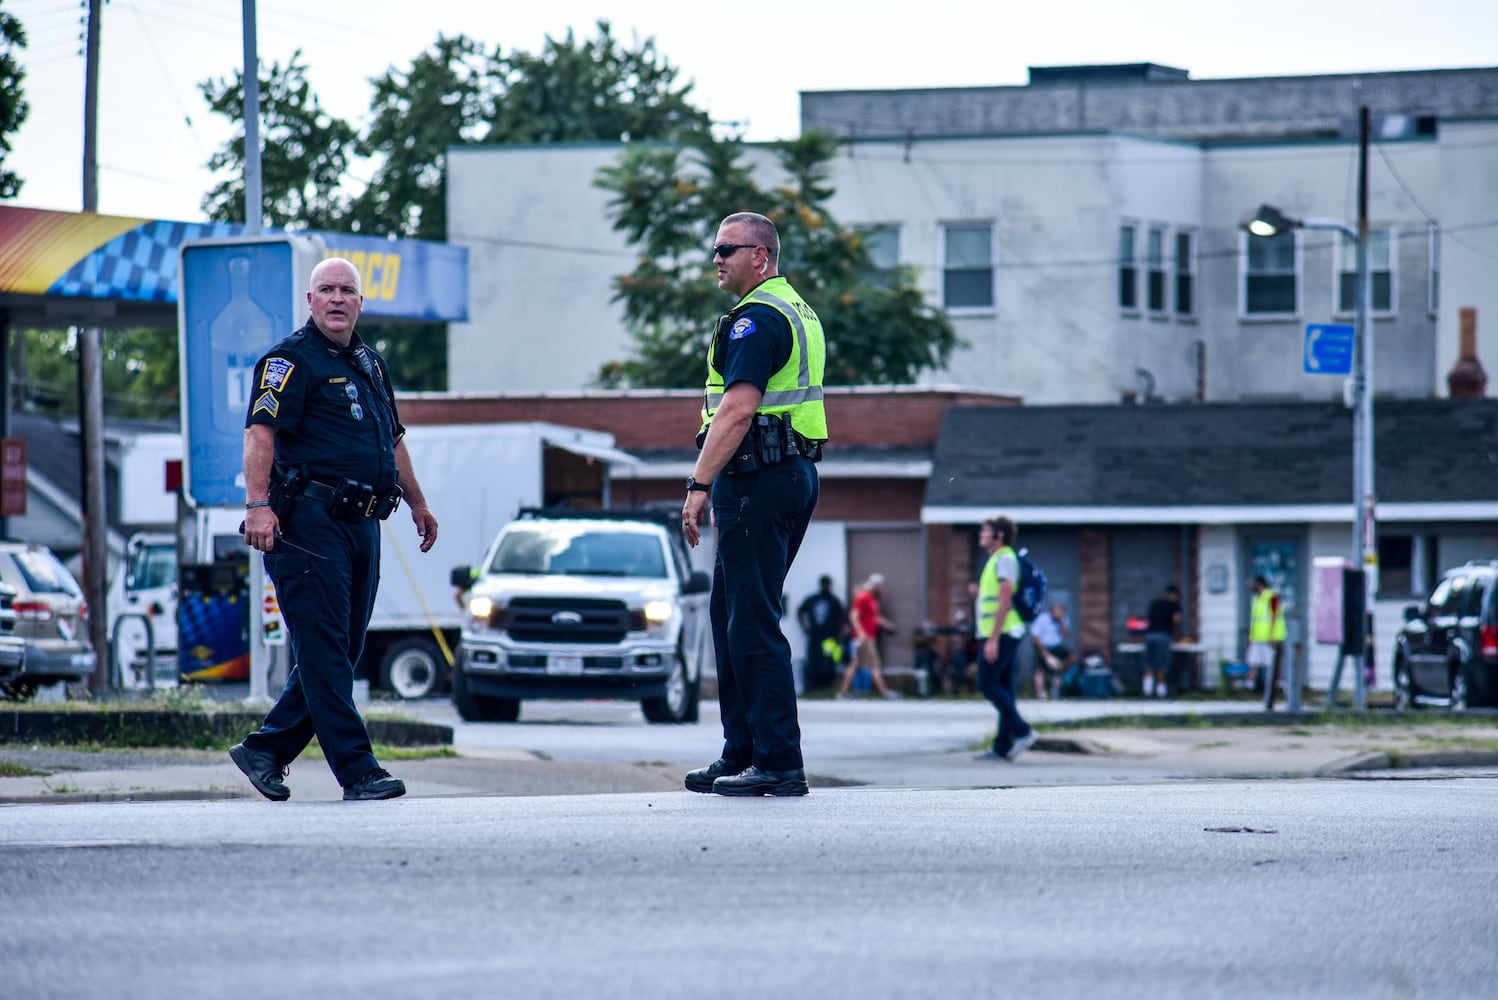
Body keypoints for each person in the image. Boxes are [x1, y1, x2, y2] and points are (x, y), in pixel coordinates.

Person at [230, 257, 439, 802]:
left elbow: (393, 441)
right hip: (307, 522)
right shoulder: (287, 361)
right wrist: (257, 505)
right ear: (311, 300)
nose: (338, 299)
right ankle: (358, 769)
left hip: (363, 522)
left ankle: (266, 751)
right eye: (328, 290)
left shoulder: (371, 362)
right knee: (324, 650)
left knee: (340, 651)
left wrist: (418, 502)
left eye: (348, 290)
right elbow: (260, 433)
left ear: (361, 303)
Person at [682, 212, 827, 798]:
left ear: (759, 257)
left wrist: (698, 485)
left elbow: (738, 412)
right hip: (776, 475)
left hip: (759, 477)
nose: (715, 258)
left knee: (751, 619)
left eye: (726, 249)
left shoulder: (758, 319)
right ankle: (741, 750)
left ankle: (777, 760)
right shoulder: (794, 309)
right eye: (714, 248)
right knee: (730, 615)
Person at [973, 517, 1037, 761]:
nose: (981, 534)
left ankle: (1023, 731)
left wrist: (993, 640)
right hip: (1003, 631)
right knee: (1005, 687)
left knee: (987, 682)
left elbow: (1005, 599)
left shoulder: (1005, 559)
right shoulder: (997, 560)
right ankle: (1002, 746)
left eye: (985, 530)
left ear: (998, 535)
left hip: (1003, 632)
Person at [837, 573, 899, 699]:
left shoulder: (872, 599)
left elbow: (875, 617)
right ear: (875, 586)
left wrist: (888, 626)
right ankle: (885, 692)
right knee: (874, 664)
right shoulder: (863, 597)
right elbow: (854, 615)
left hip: (868, 636)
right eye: (881, 586)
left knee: (855, 664)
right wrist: (861, 632)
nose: (882, 588)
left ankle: (843, 692)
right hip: (864, 638)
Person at [797, 574, 846, 692]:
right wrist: (805, 627)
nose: (825, 587)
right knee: (814, 660)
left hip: (829, 637)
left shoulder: (834, 601)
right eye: (824, 584)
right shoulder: (813, 599)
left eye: (827, 584)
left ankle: (827, 685)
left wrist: (839, 635)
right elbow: (800, 611)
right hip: (815, 636)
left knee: (828, 661)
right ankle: (814, 686)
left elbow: (841, 618)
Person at [1247, 574, 1287, 707]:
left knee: (1272, 664)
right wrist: (1251, 636)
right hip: (1258, 637)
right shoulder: (1256, 598)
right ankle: (1250, 686)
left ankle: (1276, 686)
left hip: (1270, 637)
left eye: (1253, 584)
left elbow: (1274, 615)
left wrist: (1271, 635)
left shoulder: (1272, 596)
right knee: (1254, 661)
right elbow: (1255, 619)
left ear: (1259, 584)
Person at [1142, 584, 1181, 698]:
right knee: (1162, 663)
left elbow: (1148, 620)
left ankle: (1147, 689)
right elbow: (1176, 620)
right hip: (1164, 635)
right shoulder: (1174, 605)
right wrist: (1176, 633)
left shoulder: (1155, 603)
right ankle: (1161, 691)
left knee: (1148, 662)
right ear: (1174, 595)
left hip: (1150, 635)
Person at [1029, 601, 1073, 700]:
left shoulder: (1063, 620)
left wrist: (1061, 623)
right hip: (1042, 646)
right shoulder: (1042, 619)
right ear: (1051, 612)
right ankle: (1040, 692)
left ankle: (1057, 675)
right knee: (1039, 669)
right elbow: (1036, 636)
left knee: (1072, 658)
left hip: (1056, 647)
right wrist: (1043, 651)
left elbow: (1065, 636)